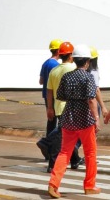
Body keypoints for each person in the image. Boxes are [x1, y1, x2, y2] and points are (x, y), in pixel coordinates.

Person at [47, 44, 100, 199]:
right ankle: (89, 186)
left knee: (64, 152)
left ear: (74, 59)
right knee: (90, 153)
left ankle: (53, 184)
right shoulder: (88, 77)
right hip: (85, 120)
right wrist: (96, 118)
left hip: (68, 117)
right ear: (87, 61)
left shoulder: (67, 76)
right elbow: (91, 100)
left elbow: (60, 96)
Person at [46, 43, 82, 170]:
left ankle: (75, 160)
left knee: (69, 135)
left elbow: (49, 91)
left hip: (59, 107)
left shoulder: (54, 71)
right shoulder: (74, 68)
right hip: (72, 107)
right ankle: (53, 163)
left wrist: (50, 108)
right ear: (71, 55)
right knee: (62, 136)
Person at [41, 39, 62, 135]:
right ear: (58, 51)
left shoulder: (45, 63)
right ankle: (53, 140)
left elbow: (41, 81)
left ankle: (48, 139)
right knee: (60, 120)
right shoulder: (57, 65)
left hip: (46, 96)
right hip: (54, 96)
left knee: (51, 120)